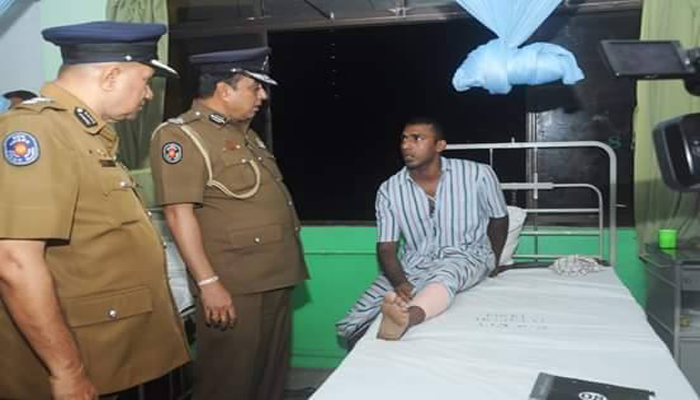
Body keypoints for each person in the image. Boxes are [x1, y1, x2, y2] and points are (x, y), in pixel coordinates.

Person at [0, 21, 190, 400]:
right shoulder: (38, 132)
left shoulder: (86, 135)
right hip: (86, 358)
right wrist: (67, 372)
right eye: (145, 81)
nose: (148, 94)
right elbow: (14, 261)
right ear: (111, 76)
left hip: (116, 351)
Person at [150, 47, 309, 400]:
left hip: (272, 274)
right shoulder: (181, 136)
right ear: (224, 89)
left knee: (269, 375)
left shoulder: (244, 134)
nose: (262, 96)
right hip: (234, 282)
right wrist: (209, 284)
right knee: (229, 380)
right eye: (255, 87)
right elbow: (178, 213)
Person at [336, 117, 509, 344]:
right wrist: (401, 283)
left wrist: (493, 261)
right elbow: (386, 247)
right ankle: (365, 340)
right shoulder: (390, 189)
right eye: (404, 139)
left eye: (417, 139)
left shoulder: (478, 175)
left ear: (439, 145)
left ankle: (406, 319)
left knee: (447, 275)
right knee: (351, 324)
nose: (406, 145)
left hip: (467, 254)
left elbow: (499, 219)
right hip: (414, 262)